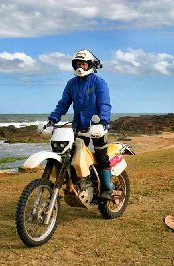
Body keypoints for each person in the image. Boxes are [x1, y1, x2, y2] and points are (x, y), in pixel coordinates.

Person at [47, 49, 114, 199]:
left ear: (90, 64)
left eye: (83, 63)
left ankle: (107, 188)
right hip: (78, 126)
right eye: (78, 63)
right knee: (72, 156)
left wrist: (103, 122)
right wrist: (53, 119)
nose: (80, 66)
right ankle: (79, 184)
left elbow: (105, 104)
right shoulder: (71, 84)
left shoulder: (99, 82)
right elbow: (63, 104)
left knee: (101, 156)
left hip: (96, 126)